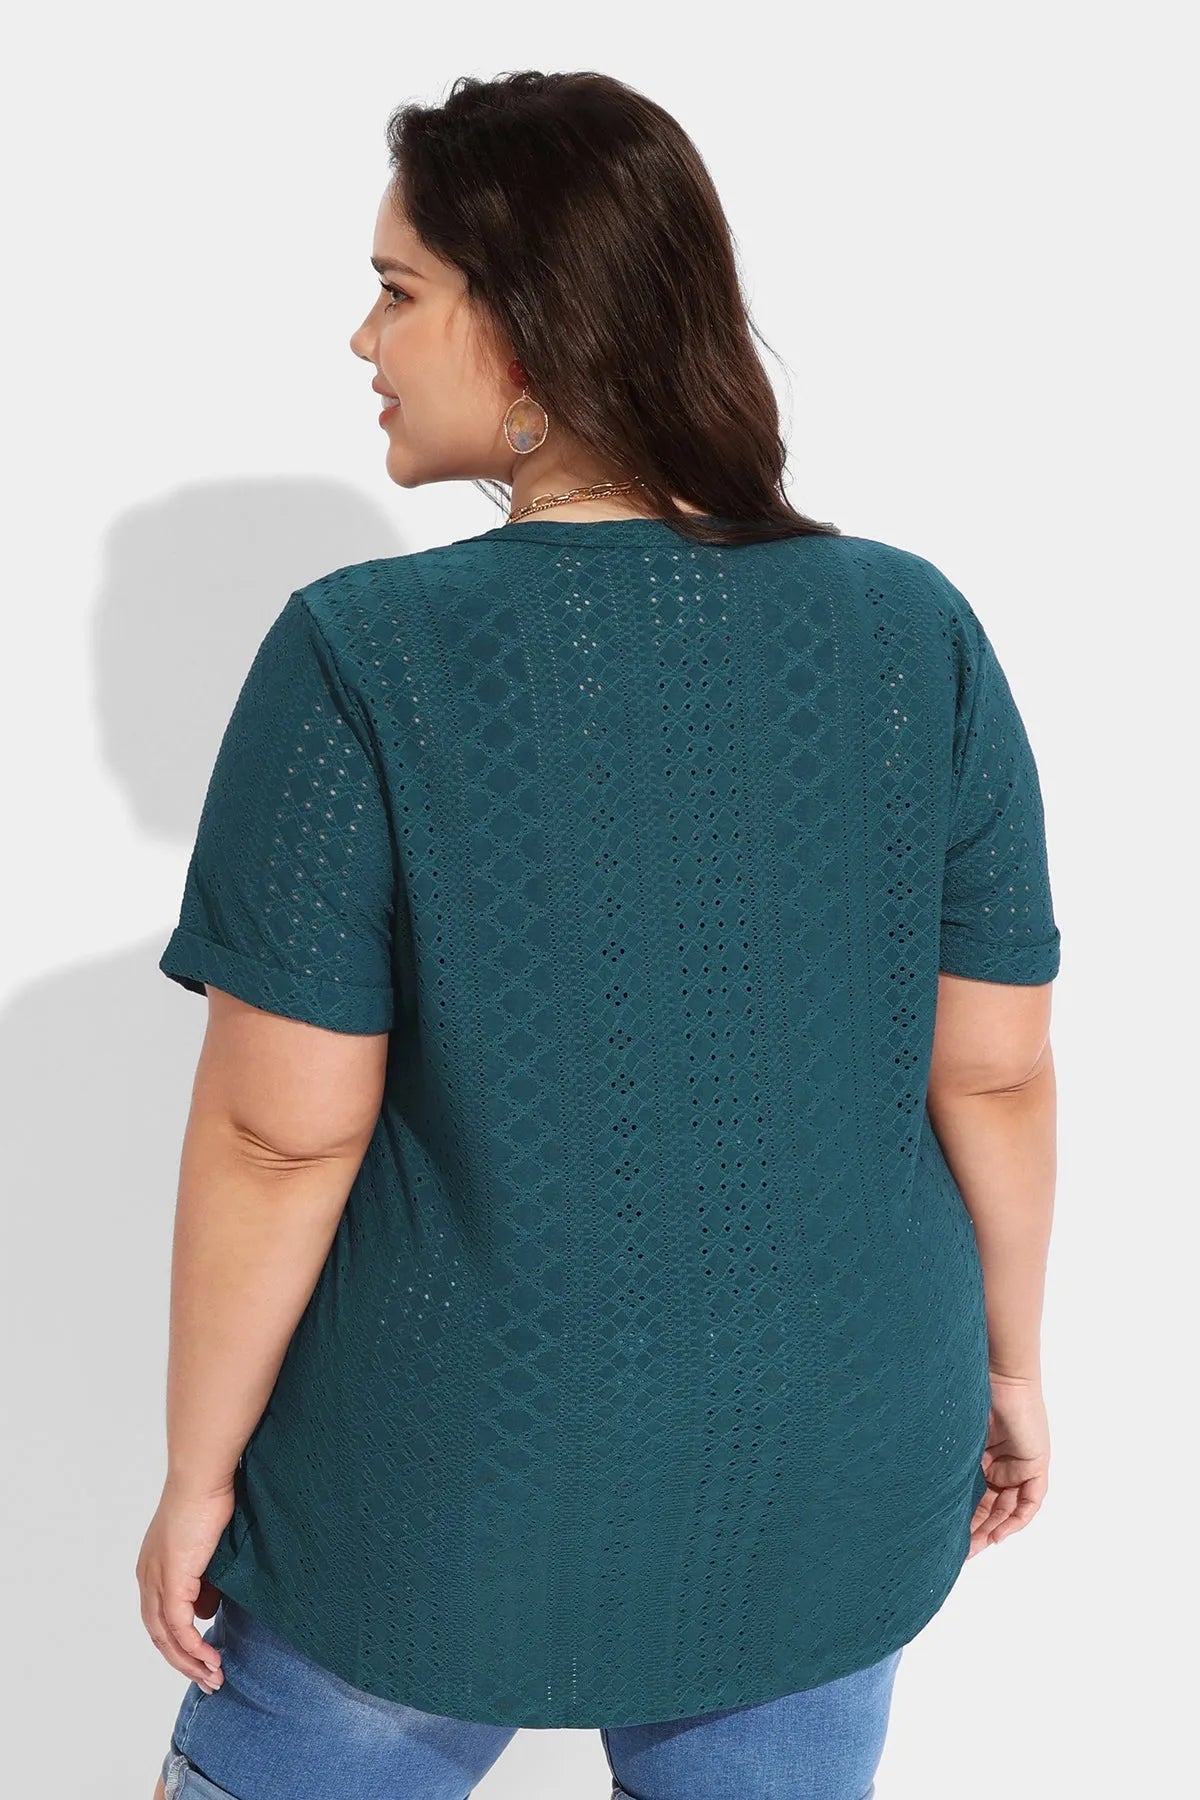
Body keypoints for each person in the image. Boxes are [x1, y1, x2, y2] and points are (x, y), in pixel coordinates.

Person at [138, 69, 1062, 1800]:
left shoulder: (361, 657)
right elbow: (995, 1074)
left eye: (399, 291)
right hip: (832, 1458)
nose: (362, 339)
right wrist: (1008, 1364)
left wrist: (201, 1471)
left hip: (439, 1491)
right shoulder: (913, 633)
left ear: (529, 324)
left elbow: (281, 1131)